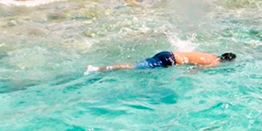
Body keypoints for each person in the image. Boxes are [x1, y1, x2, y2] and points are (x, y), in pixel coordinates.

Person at [85, 51, 237, 74]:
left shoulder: (210, 54)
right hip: (169, 60)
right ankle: (97, 69)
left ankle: (100, 68)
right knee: (134, 67)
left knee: (137, 65)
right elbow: (197, 69)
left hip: (168, 53)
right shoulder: (215, 62)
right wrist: (187, 75)